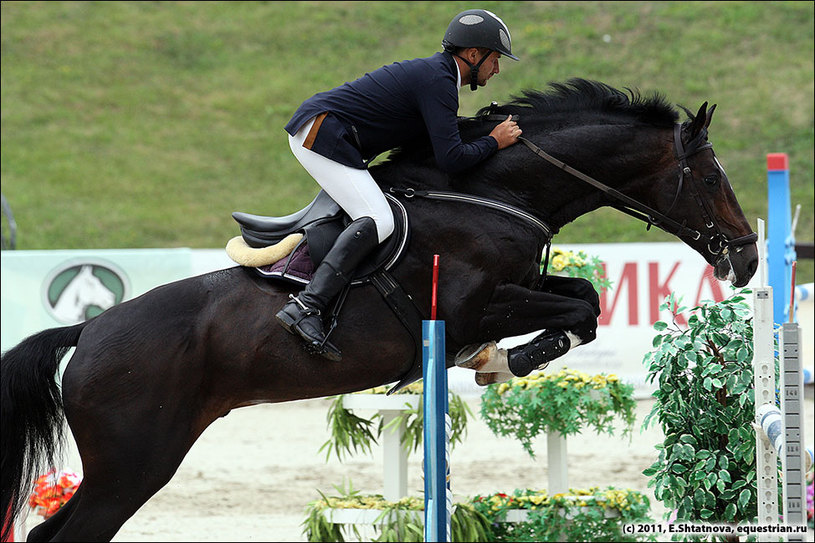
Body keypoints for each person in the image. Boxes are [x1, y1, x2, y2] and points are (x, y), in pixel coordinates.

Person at [276, 8, 523, 361]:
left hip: (330, 132)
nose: (497, 69)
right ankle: (305, 306)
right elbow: (451, 159)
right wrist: (494, 142)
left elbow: (440, 141)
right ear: (473, 54)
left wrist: (484, 132)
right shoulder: (438, 81)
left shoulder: (438, 76)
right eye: (495, 59)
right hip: (319, 133)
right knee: (380, 220)